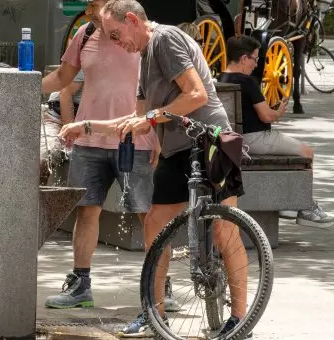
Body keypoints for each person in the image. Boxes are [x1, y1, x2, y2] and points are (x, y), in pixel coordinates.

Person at [59, 1, 252, 337]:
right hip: (178, 149)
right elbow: (139, 120)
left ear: (133, 19)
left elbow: (195, 95)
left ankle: (240, 319)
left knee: (224, 230)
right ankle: (154, 313)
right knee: (154, 225)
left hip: (213, 140)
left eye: (117, 35)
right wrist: (87, 126)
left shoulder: (165, 40)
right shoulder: (144, 57)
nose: (118, 44)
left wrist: (148, 118)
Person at [40, 0, 159, 310]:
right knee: (86, 211)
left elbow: (161, 89)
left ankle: (162, 287)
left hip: (137, 139)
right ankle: (81, 285)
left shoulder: (143, 35)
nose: (89, 6)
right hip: (89, 140)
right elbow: (63, 79)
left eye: (94, 2)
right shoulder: (86, 33)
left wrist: (158, 135)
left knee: (149, 216)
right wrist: (21, 84)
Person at [217, 36, 334, 228]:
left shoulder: (221, 78)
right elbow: (266, 116)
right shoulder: (247, 82)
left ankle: (287, 203)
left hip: (233, 139)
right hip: (255, 139)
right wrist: (279, 111)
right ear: (243, 58)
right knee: (307, 152)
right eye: (255, 59)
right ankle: (306, 208)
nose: (256, 65)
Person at [39, 70, 84, 185]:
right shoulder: (92, 57)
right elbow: (65, 93)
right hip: (57, 116)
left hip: (87, 122)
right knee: (43, 161)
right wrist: (70, 132)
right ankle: (34, 201)